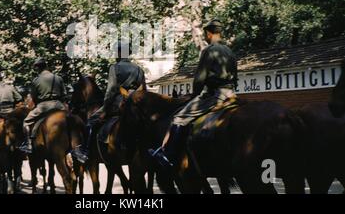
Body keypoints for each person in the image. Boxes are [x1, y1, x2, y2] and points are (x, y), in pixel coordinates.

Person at [149, 19, 238, 169]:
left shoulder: (209, 51)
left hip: (215, 95)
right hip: (231, 94)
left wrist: (194, 94)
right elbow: (235, 77)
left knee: (179, 118)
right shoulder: (230, 51)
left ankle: (168, 155)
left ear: (209, 33)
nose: (205, 36)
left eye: (205, 34)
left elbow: (200, 79)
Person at [71, 41, 146, 165]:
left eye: (117, 52)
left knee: (91, 122)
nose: (115, 54)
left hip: (118, 103)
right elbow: (144, 89)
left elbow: (111, 90)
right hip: (137, 105)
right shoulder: (139, 69)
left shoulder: (115, 67)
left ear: (121, 53)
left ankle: (85, 151)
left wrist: (105, 109)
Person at [18, 58, 67, 154]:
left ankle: (27, 144)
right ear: (46, 66)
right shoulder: (58, 78)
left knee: (26, 122)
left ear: (37, 68)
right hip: (59, 105)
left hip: (43, 106)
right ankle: (80, 146)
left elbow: (34, 97)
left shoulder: (36, 80)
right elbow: (64, 94)